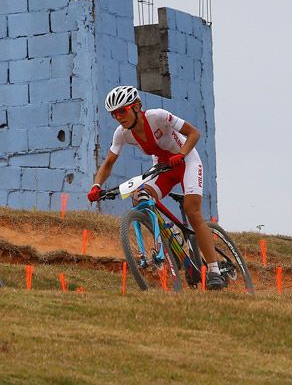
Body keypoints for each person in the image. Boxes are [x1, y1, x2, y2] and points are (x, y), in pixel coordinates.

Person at [87, 85, 226, 290]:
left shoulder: (158, 116)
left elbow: (193, 133)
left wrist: (180, 154)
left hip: (186, 161)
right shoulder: (122, 134)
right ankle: (169, 244)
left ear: (136, 107)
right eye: (114, 114)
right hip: (163, 167)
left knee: (192, 211)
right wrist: (96, 186)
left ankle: (214, 271)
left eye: (122, 111)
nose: (118, 117)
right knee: (140, 197)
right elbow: (108, 163)